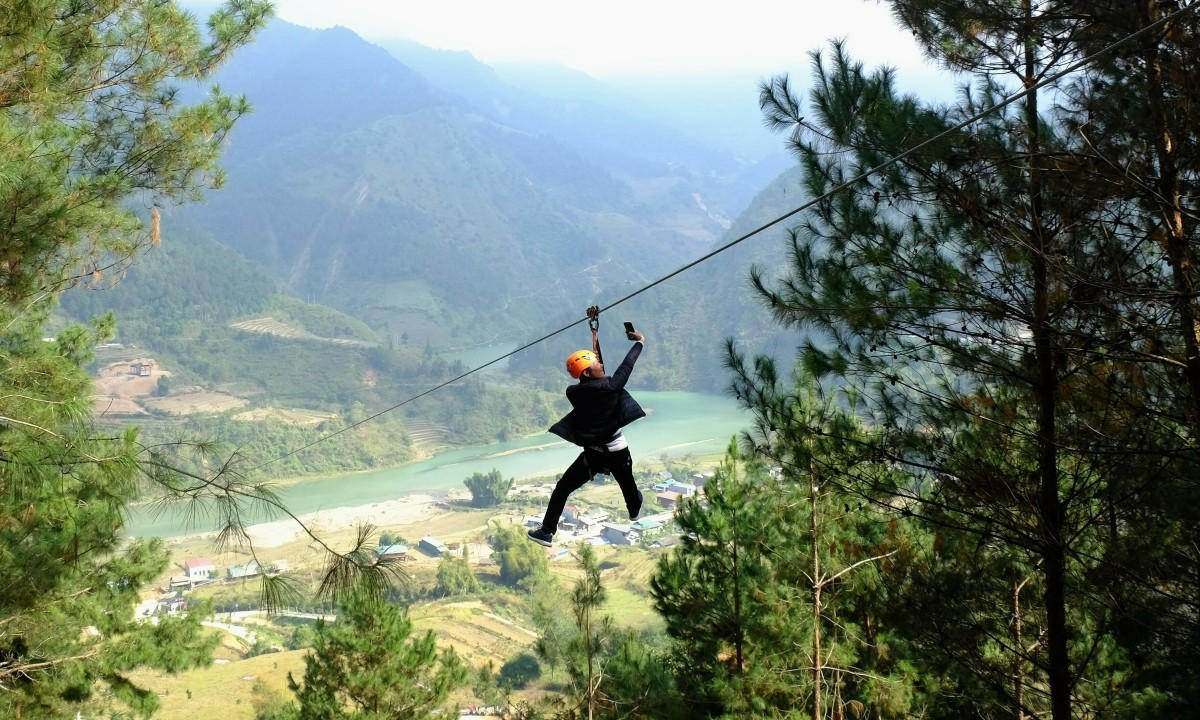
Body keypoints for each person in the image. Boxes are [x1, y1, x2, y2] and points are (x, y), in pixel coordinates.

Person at [527, 325, 646, 546]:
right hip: (617, 451)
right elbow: (626, 365)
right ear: (587, 372)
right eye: (597, 363)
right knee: (630, 493)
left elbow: (594, 378)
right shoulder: (610, 386)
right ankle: (634, 509)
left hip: (593, 455)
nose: (601, 364)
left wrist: (595, 338)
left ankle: (546, 531)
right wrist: (639, 342)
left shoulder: (574, 392)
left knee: (563, 488)